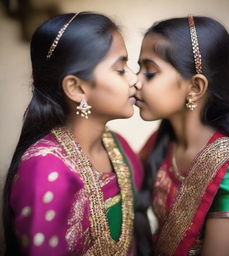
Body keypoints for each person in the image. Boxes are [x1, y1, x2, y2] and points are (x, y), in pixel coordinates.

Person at [3, 12, 142, 255]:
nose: (135, 79)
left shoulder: (120, 148)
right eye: (120, 69)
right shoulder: (45, 168)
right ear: (77, 88)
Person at [135, 15, 229, 256]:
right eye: (139, 68)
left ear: (195, 87)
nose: (135, 81)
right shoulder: (161, 141)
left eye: (149, 72)